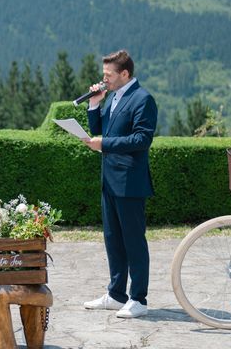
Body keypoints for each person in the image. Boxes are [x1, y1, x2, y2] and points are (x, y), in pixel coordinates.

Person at [82, 49, 157, 319]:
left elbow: (141, 140)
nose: (104, 80)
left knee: (134, 242)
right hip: (109, 181)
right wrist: (95, 104)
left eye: (108, 76)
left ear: (124, 74)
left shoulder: (143, 99)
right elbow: (100, 130)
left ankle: (139, 299)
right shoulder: (113, 97)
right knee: (113, 240)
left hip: (130, 183)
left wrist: (104, 144)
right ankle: (116, 294)